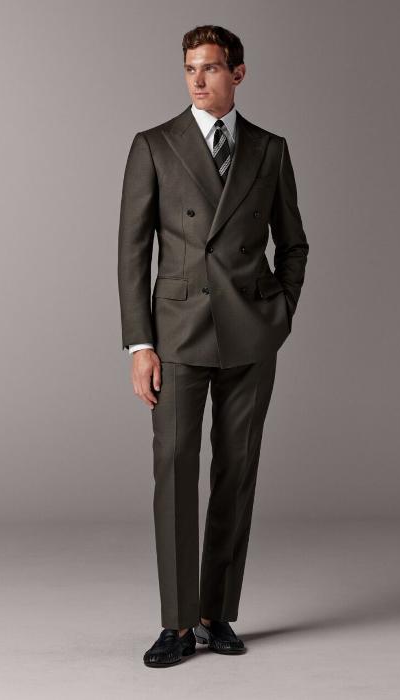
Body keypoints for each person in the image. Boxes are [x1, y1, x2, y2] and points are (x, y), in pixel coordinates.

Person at [117, 24, 309, 668]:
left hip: (250, 335)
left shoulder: (269, 149)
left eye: (211, 68)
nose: (198, 80)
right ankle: (176, 624)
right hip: (177, 334)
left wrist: (279, 312)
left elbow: (294, 242)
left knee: (236, 469)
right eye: (189, 68)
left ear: (239, 73)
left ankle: (215, 613)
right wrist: (139, 344)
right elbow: (132, 252)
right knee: (174, 470)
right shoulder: (154, 145)